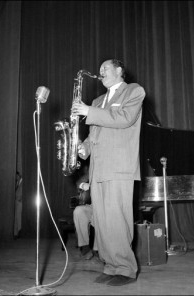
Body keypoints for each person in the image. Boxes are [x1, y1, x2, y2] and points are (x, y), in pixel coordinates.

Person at [71, 59, 145, 286]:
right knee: (102, 222)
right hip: (98, 169)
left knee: (117, 220)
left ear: (120, 71)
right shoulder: (98, 101)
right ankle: (111, 265)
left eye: (106, 68)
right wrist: (82, 147)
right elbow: (95, 135)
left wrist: (88, 111)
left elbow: (124, 119)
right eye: (100, 69)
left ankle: (126, 268)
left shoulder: (133, 91)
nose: (100, 72)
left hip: (119, 167)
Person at [73, 168, 97, 260]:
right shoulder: (93, 169)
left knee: (99, 217)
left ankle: (98, 249)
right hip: (93, 206)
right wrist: (84, 185)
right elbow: (79, 183)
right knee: (79, 211)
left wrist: (91, 188)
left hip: (106, 207)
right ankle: (85, 247)